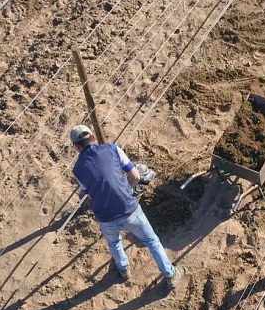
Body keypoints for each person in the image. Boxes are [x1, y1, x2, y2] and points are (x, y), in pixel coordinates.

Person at [69, 124, 181, 290]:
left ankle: (123, 269)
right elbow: (135, 175)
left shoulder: (77, 170)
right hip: (129, 209)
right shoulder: (112, 149)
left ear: (76, 147)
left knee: (114, 243)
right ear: (93, 137)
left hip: (105, 217)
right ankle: (170, 275)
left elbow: (86, 192)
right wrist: (126, 191)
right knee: (152, 241)